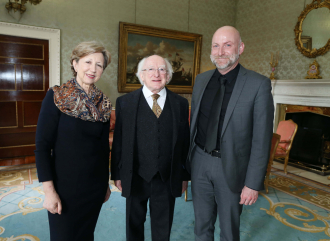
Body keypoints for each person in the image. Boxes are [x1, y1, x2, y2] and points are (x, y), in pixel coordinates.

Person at [187, 26, 274, 241]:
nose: (220, 51)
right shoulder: (201, 80)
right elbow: (195, 124)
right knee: (201, 226)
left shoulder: (258, 84)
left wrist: (253, 183)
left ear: (240, 48)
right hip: (200, 161)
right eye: (216, 46)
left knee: (229, 230)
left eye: (228, 45)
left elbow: (261, 140)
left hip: (232, 168)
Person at [35, 41, 112, 241]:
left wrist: (105, 184)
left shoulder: (103, 104)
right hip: (64, 187)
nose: (93, 69)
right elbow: (42, 147)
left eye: (99, 65)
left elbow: (104, 149)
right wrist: (49, 192)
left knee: (86, 236)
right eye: (88, 62)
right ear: (75, 63)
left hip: (94, 187)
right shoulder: (56, 96)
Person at [111, 55, 190, 241]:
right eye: (150, 69)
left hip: (167, 177)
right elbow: (119, 141)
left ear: (168, 76)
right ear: (141, 75)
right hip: (135, 175)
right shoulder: (125, 103)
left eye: (162, 69)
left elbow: (184, 143)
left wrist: (184, 176)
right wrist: (117, 173)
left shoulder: (180, 104)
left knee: (163, 227)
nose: (156, 74)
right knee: (134, 224)